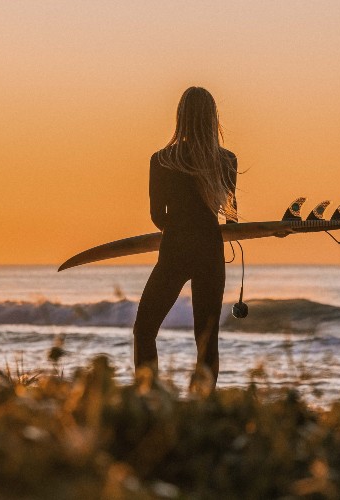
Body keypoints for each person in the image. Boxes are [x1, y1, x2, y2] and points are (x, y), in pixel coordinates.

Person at [132, 86, 238, 394]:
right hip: (210, 252)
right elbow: (231, 220)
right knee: (206, 338)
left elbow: (157, 215)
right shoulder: (227, 160)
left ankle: (149, 394)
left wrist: (178, 228)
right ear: (212, 118)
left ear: (181, 117)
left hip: (175, 250)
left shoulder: (162, 159)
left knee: (145, 329)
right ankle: (201, 403)